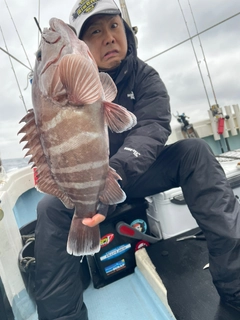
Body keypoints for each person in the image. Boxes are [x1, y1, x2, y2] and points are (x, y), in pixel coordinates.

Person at [34, 0, 240, 318]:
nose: (109, 37)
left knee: (195, 152)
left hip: (135, 172)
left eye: (115, 26)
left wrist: (112, 174)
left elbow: (151, 130)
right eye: (95, 32)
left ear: (127, 32)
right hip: (87, 184)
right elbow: (50, 140)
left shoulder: (146, 79)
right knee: (48, 207)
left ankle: (236, 285)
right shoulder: (64, 88)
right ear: (81, 48)